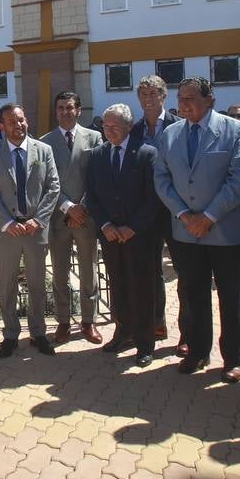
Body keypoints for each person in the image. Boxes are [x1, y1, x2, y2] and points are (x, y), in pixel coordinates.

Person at [153, 78, 240, 382]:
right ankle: (197, 351)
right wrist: (184, 214)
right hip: (186, 232)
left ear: (210, 100)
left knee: (230, 297)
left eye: (191, 98)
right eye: (180, 98)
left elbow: (239, 180)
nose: (184, 104)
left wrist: (208, 216)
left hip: (224, 231)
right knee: (193, 294)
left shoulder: (234, 131)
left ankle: (233, 358)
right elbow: (162, 179)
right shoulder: (170, 134)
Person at [86, 104, 163, 367]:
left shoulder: (146, 153)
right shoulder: (97, 155)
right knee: (118, 286)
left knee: (142, 288)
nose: (109, 131)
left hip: (139, 236)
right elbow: (92, 197)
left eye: (115, 126)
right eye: (105, 126)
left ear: (129, 126)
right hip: (111, 237)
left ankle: (144, 343)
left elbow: (153, 198)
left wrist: (132, 227)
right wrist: (106, 225)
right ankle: (123, 332)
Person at [0, 104, 61, 358]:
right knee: (6, 285)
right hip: (7, 232)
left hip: (35, 229)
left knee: (37, 284)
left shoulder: (43, 150)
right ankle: (10, 335)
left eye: (21, 119)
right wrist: (7, 222)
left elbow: (53, 187)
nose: (19, 125)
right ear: (1, 126)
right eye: (12, 122)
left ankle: (38, 333)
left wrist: (39, 219)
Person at [40, 91, 104, 345]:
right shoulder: (45, 142)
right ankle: (64, 321)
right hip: (59, 217)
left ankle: (89, 321)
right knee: (59, 273)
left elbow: (99, 177)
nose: (65, 112)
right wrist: (67, 207)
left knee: (89, 270)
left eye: (69, 107)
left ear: (79, 110)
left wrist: (82, 207)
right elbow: (44, 182)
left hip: (86, 216)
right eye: (60, 108)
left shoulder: (95, 138)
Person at [128, 75, 178, 346]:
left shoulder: (179, 126)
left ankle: (188, 332)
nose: (147, 99)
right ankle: (156, 324)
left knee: (185, 272)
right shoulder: (134, 131)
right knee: (150, 272)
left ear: (163, 96)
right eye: (143, 95)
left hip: (176, 210)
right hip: (146, 212)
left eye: (153, 93)